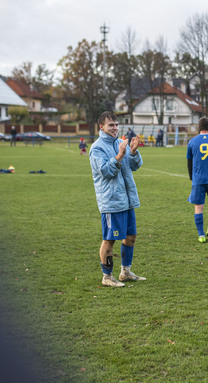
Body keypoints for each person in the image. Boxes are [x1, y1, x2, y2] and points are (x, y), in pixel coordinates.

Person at [89, 111, 146, 287]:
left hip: (127, 200)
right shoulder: (97, 148)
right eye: (111, 125)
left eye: (116, 124)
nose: (115, 128)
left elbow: (135, 166)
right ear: (101, 127)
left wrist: (134, 152)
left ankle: (125, 272)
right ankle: (107, 276)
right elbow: (106, 172)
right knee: (110, 239)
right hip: (111, 201)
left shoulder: (121, 143)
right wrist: (119, 156)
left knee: (131, 236)